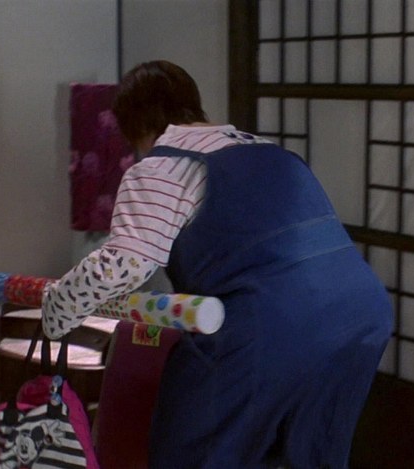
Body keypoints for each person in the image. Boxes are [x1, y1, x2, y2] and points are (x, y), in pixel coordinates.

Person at [41, 60, 393, 468]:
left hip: (270, 322)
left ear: (134, 124)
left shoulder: (162, 165)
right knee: (309, 455)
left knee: (193, 449)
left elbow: (124, 264)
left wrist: (58, 307)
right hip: (361, 315)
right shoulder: (266, 149)